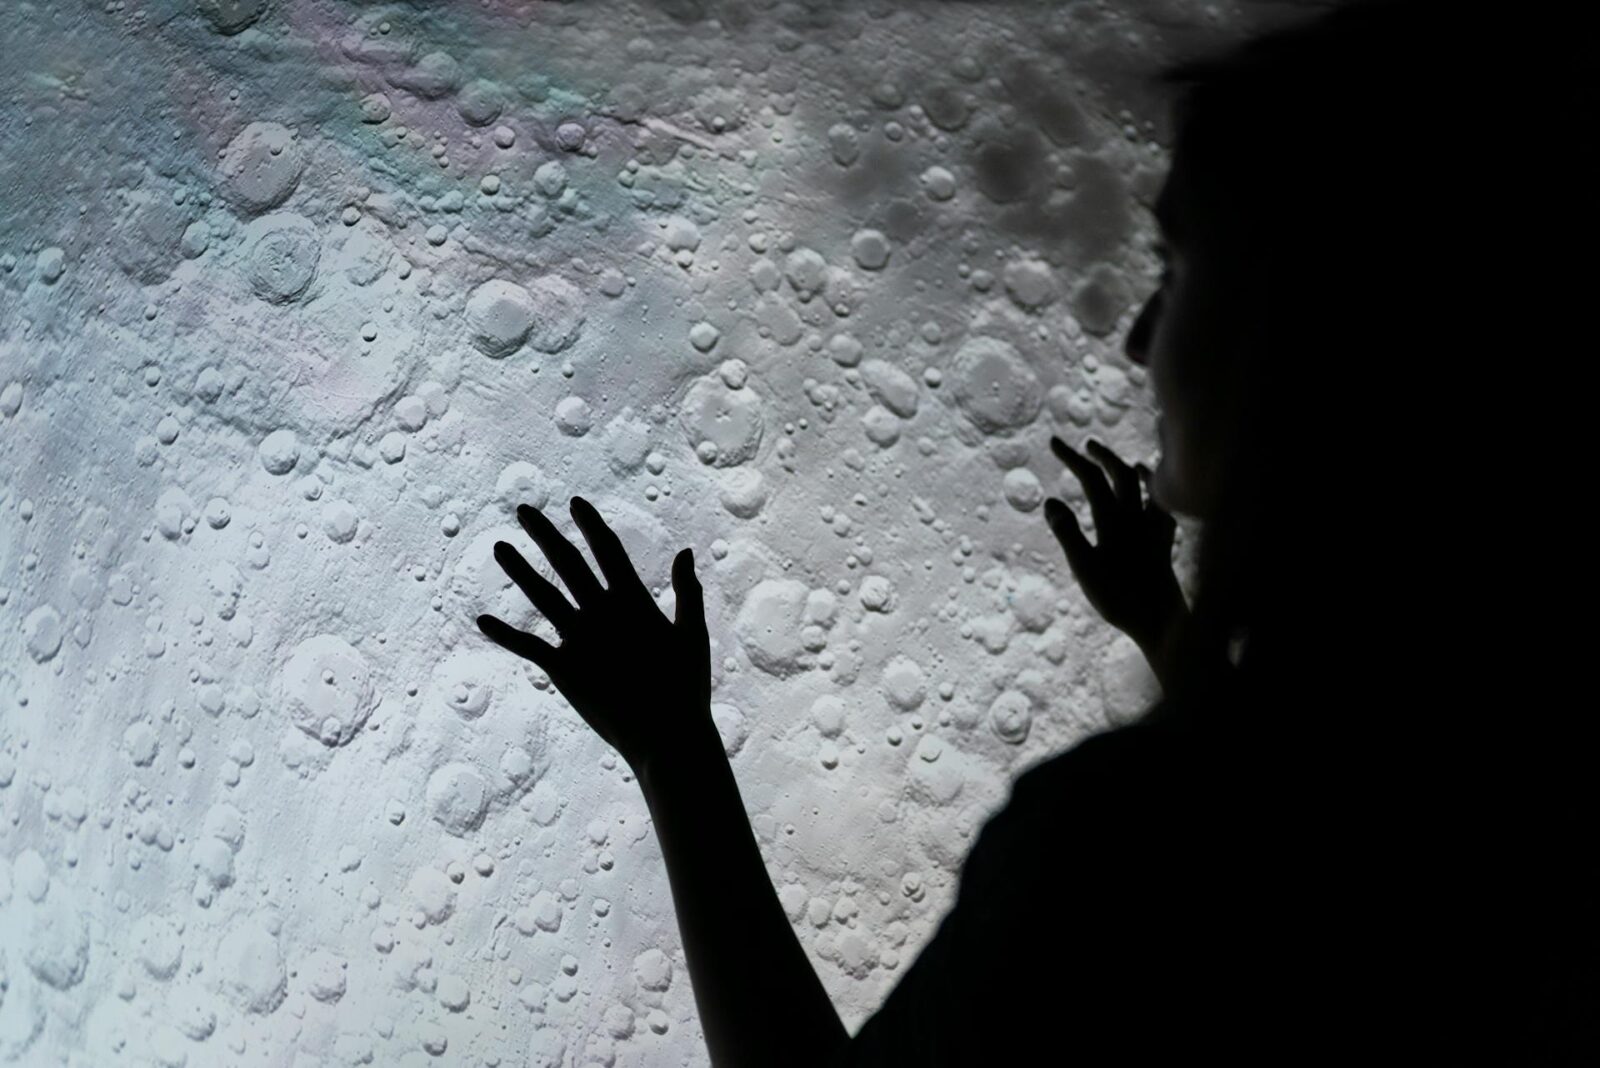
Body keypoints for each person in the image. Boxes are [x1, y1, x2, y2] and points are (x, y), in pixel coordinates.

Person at [478, 1, 1591, 1062]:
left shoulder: (1112, 849)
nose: (1140, 338)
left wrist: (674, 750)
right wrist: (1167, 628)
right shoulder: (1502, 782)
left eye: (1179, 267)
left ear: (1309, 321)